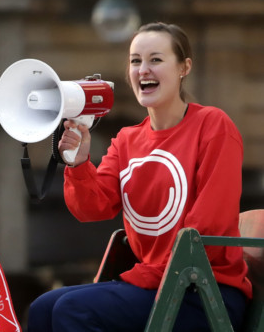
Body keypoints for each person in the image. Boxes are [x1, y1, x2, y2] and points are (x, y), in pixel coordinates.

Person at [27, 22, 252, 331]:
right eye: (135, 61)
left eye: (156, 60)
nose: (143, 69)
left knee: (72, 310)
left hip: (203, 290)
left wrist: (141, 277)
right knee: (43, 307)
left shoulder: (213, 126)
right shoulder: (126, 140)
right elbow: (92, 209)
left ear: (184, 67)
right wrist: (78, 164)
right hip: (153, 284)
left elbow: (205, 229)